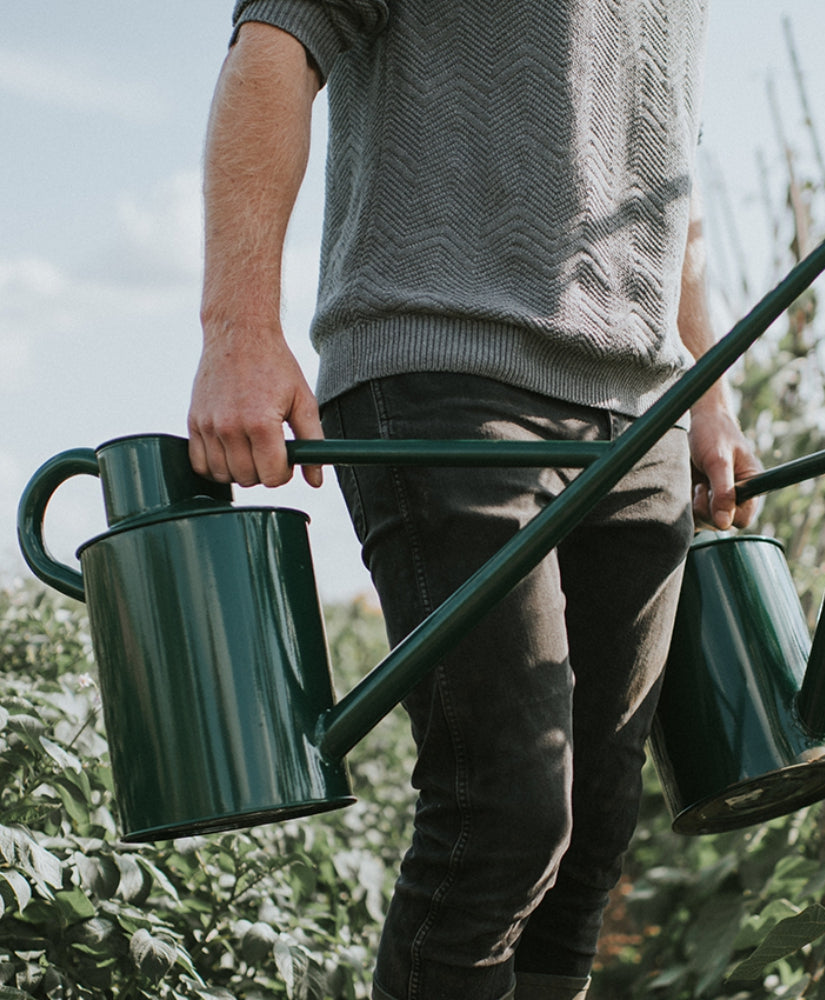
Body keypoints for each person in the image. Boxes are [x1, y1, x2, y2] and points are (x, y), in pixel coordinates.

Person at [188, 2, 759, 998]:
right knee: (505, 813)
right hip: (444, 369)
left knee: (592, 838)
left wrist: (704, 392)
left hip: (638, 414)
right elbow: (276, 41)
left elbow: (667, 163)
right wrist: (237, 327)